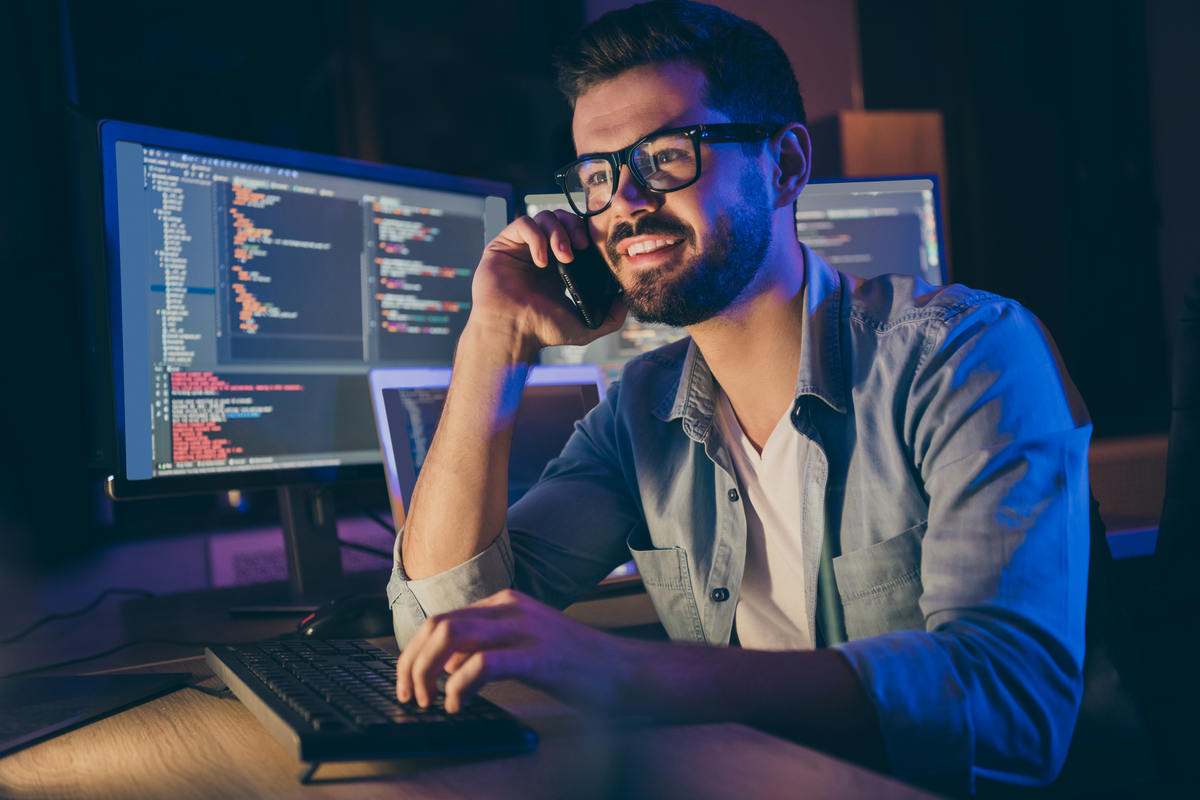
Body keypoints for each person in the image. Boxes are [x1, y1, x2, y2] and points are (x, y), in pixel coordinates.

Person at [387, 1, 1092, 794]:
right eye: (597, 174)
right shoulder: (637, 413)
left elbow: (1011, 705)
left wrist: (628, 673)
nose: (625, 201)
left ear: (785, 166)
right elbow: (439, 626)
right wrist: (494, 338)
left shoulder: (968, 356)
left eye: (665, 156)